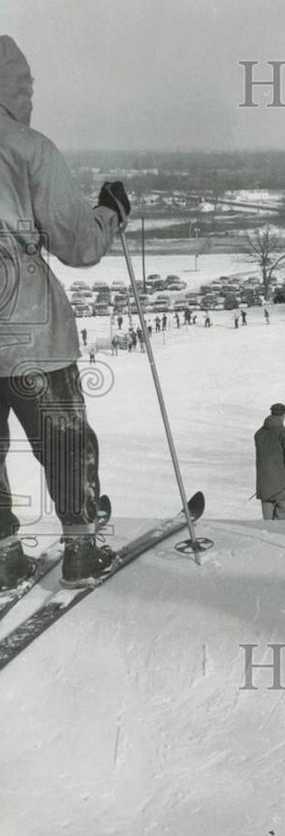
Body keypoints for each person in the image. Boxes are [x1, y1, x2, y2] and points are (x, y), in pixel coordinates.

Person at [0, 35, 130, 591]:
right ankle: (80, 547)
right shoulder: (28, 148)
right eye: (26, 87)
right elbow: (78, 245)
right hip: (31, 334)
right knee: (64, 438)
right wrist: (110, 214)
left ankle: (4, 555)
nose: (31, 97)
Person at [254, 403, 285, 520]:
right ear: (283, 415)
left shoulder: (259, 434)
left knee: (267, 523)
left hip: (265, 484)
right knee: (281, 522)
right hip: (283, 485)